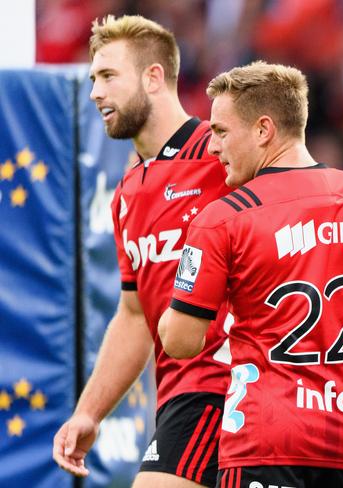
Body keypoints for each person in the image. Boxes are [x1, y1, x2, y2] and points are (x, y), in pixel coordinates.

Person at [158, 60, 343, 488]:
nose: (212, 147)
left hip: (263, 445)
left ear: (263, 130)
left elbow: (181, 341)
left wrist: (173, 304)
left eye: (221, 132)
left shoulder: (220, 219)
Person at [52, 15, 232, 487]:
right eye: (93, 78)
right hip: (179, 396)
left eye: (108, 76)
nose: (94, 92)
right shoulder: (128, 193)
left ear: (154, 77)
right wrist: (89, 413)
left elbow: (316, 185)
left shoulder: (219, 153)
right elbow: (134, 315)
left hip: (225, 386)